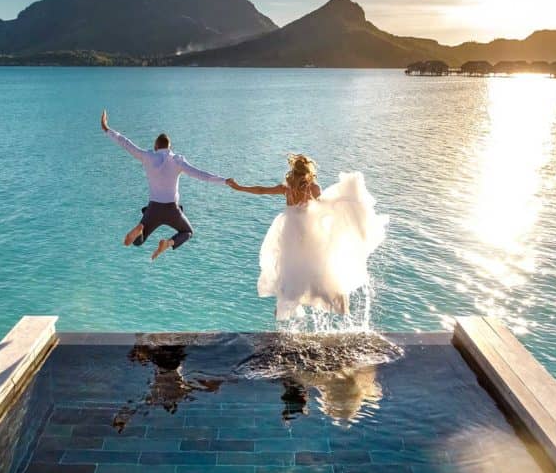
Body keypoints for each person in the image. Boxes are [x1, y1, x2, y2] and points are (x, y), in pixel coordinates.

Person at [227, 154, 388, 320]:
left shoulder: (287, 187)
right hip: (307, 229)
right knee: (317, 263)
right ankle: (329, 296)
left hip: (289, 229)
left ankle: (285, 303)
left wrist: (239, 187)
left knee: (288, 267)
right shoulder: (314, 188)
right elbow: (321, 209)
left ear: (293, 171)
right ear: (309, 172)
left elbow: (261, 190)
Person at [101, 110, 230, 260]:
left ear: (156, 146)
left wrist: (107, 129)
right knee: (187, 232)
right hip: (172, 210)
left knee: (138, 242)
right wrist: (224, 181)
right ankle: (168, 243)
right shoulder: (177, 160)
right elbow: (201, 175)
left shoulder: (147, 156)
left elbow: (126, 143)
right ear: (170, 147)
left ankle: (140, 229)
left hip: (153, 210)